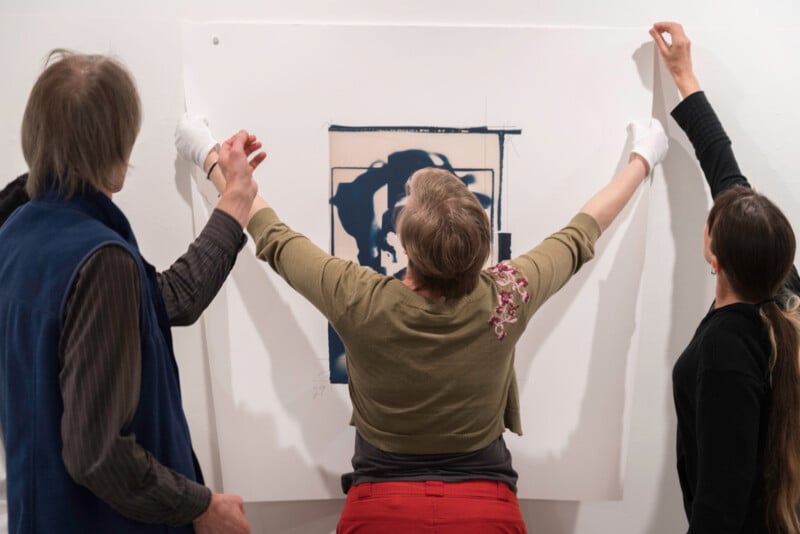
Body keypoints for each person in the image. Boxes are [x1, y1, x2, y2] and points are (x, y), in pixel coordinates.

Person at [176, 114, 667, 532]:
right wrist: (642, 159)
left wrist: (210, 157)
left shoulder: (359, 298)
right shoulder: (509, 295)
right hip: (487, 512)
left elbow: (271, 234)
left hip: (379, 511)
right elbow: (584, 229)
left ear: (405, 247)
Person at [0, 50, 265, 533]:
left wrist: (233, 204)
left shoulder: (17, 234)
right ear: (115, 147)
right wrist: (201, 506)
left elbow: (164, 301)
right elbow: (98, 455)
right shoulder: (99, 258)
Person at [651, 22, 800, 533]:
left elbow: (719, 505)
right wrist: (685, 77)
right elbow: (726, 172)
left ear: (713, 253)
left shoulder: (725, 353)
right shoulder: (785, 296)